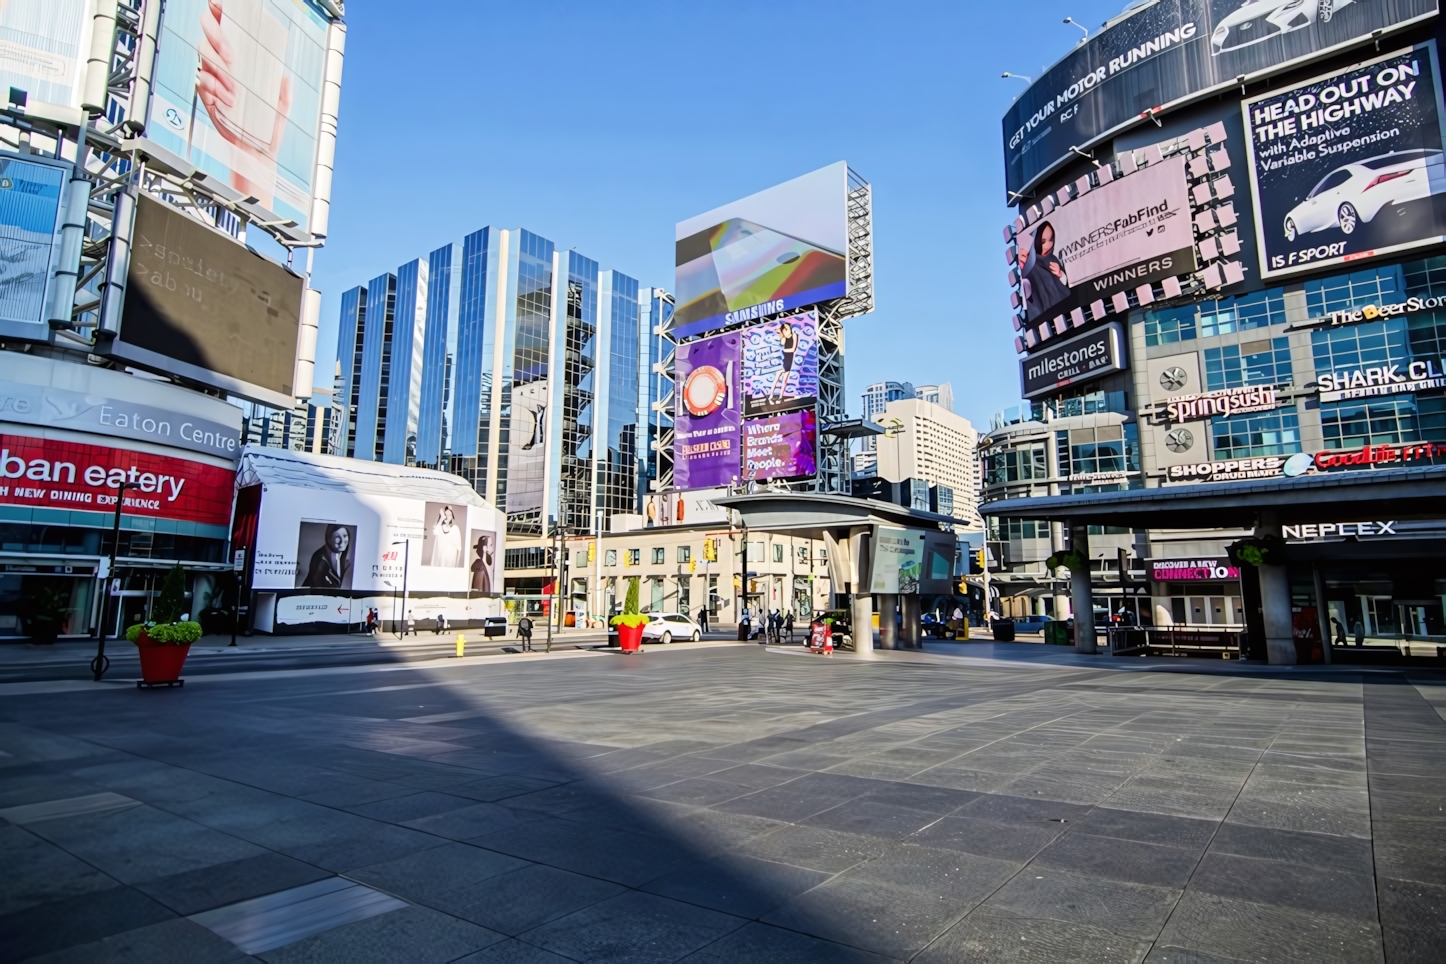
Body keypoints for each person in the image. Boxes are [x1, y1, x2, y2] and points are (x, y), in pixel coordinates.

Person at [1019, 220, 1071, 322]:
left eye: (1051, 239)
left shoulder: (1053, 259)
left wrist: (1060, 274)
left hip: (1067, 311)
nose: (1048, 245)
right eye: (1043, 242)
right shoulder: (1030, 265)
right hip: (1048, 319)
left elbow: (1065, 286)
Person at [768, 320, 800, 404]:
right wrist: (781, 335)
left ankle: (780, 397)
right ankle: (770, 396)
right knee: (776, 378)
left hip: (789, 359)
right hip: (782, 359)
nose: (787, 330)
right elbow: (781, 344)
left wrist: (783, 350)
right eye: (785, 329)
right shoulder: (784, 338)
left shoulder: (795, 335)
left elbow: (793, 349)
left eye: (788, 328)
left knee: (784, 380)